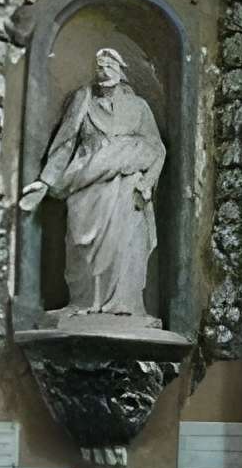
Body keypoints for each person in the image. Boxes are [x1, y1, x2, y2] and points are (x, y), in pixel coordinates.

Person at [20, 46, 165, 319]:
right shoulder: (83, 100)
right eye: (99, 66)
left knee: (125, 246)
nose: (104, 71)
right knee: (80, 244)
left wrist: (146, 182)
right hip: (86, 186)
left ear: (121, 72)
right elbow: (65, 144)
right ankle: (82, 302)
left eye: (110, 66)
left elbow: (156, 148)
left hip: (125, 190)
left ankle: (124, 306)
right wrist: (45, 182)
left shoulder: (139, 107)